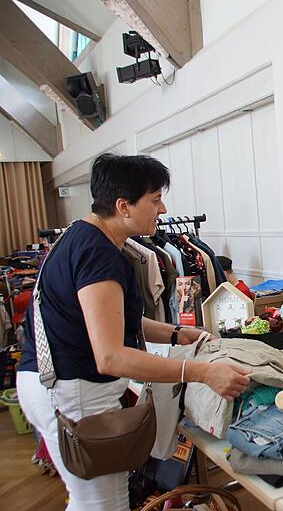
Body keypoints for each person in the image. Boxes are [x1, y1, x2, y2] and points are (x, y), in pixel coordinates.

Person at [16, 154, 251, 511]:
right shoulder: (98, 254)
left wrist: (175, 334)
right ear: (123, 206)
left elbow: (108, 319)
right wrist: (202, 372)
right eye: (155, 200)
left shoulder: (83, 239)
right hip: (73, 393)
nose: (163, 208)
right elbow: (110, 355)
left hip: (57, 386)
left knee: (88, 500)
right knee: (103, 504)